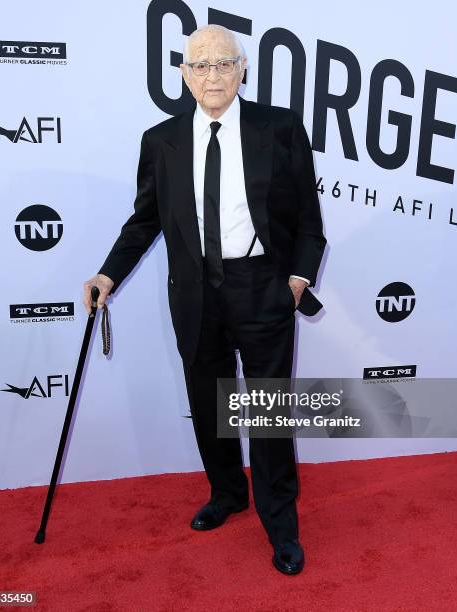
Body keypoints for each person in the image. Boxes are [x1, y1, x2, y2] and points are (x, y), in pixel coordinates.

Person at [83, 24, 326, 575]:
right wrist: (106, 275)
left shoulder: (281, 128)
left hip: (262, 288)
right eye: (200, 65)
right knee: (211, 405)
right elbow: (145, 220)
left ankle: (280, 522)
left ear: (242, 70)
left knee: (267, 414)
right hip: (194, 294)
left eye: (223, 63)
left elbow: (310, 221)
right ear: (183, 76)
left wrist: (297, 280)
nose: (212, 75)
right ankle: (227, 493)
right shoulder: (160, 140)